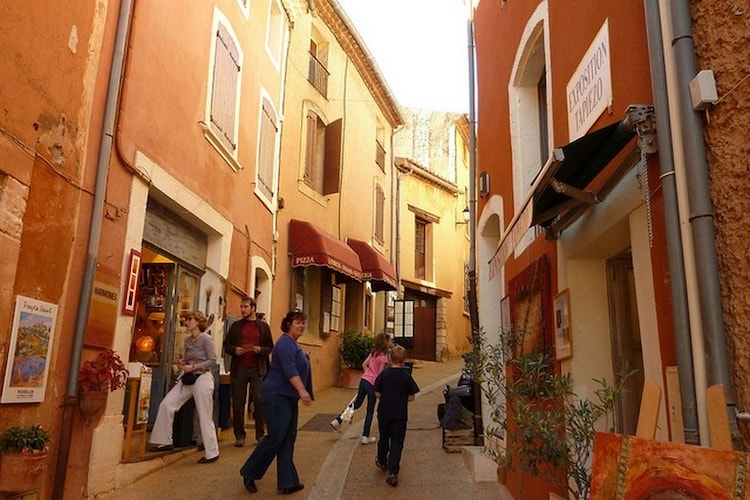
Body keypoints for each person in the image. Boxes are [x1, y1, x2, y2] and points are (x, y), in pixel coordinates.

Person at [240, 310, 313, 495]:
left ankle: (288, 481)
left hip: (287, 398)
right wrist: (302, 390)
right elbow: (289, 370)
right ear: (288, 324)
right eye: (297, 322)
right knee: (275, 437)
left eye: (303, 323)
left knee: (288, 438)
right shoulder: (285, 343)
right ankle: (249, 472)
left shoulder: (293, 345)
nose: (301, 326)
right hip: (276, 396)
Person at [148, 310, 220, 464]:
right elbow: (188, 360)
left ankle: (212, 452)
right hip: (188, 379)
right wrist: (183, 363)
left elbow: (212, 361)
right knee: (167, 404)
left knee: (204, 414)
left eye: (190, 319)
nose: (187, 322)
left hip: (202, 378)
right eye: (186, 320)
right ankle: (164, 441)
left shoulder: (206, 339)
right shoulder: (188, 341)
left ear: (198, 321)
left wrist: (193, 366)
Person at [224, 296, 274, 447]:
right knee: (238, 403)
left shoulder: (263, 327)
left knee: (259, 399)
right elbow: (227, 345)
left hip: (257, 369)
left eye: (245, 306)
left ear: (253, 308)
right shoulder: (236, 326)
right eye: (241, 306)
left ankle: (260, 433)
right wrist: (235, 350)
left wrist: (261, 350)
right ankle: (239, 435)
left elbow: (270, 347)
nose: (243, 309)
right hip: (239, 369)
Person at [330, 333, 391, 444]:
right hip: (373, 384)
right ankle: (365, 436)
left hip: (364, 381)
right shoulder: (384, 357)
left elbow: (364, 364)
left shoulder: (373, 353)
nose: (390, 343)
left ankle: (338, 420)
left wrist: (367, 374)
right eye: (389, 341)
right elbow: (380, 374)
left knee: (356, 403)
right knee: (370, 410)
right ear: (385, 343)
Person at [373, 345, 420, 487]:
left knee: (384, 438)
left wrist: (386, 396)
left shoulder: (384, 375)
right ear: (404, 360)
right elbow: (411, 397)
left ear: (389, 359)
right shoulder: (406, 377)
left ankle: (381, 460)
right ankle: (393, 472)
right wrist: (401, 397)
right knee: (397, 442)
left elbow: (377, 393)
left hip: (384, 412)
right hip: (400, 414)